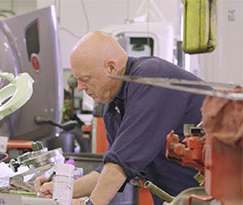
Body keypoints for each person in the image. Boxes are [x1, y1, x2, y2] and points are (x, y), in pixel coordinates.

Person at [35, 31, 205, 205]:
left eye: (85, 79)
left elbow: (119, 165)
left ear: (111, 67)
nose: (80, 87)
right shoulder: (114, 106)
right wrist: (62, 188)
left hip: (212, 197)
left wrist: (90, 204)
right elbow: (108, 170)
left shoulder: (151, 78)